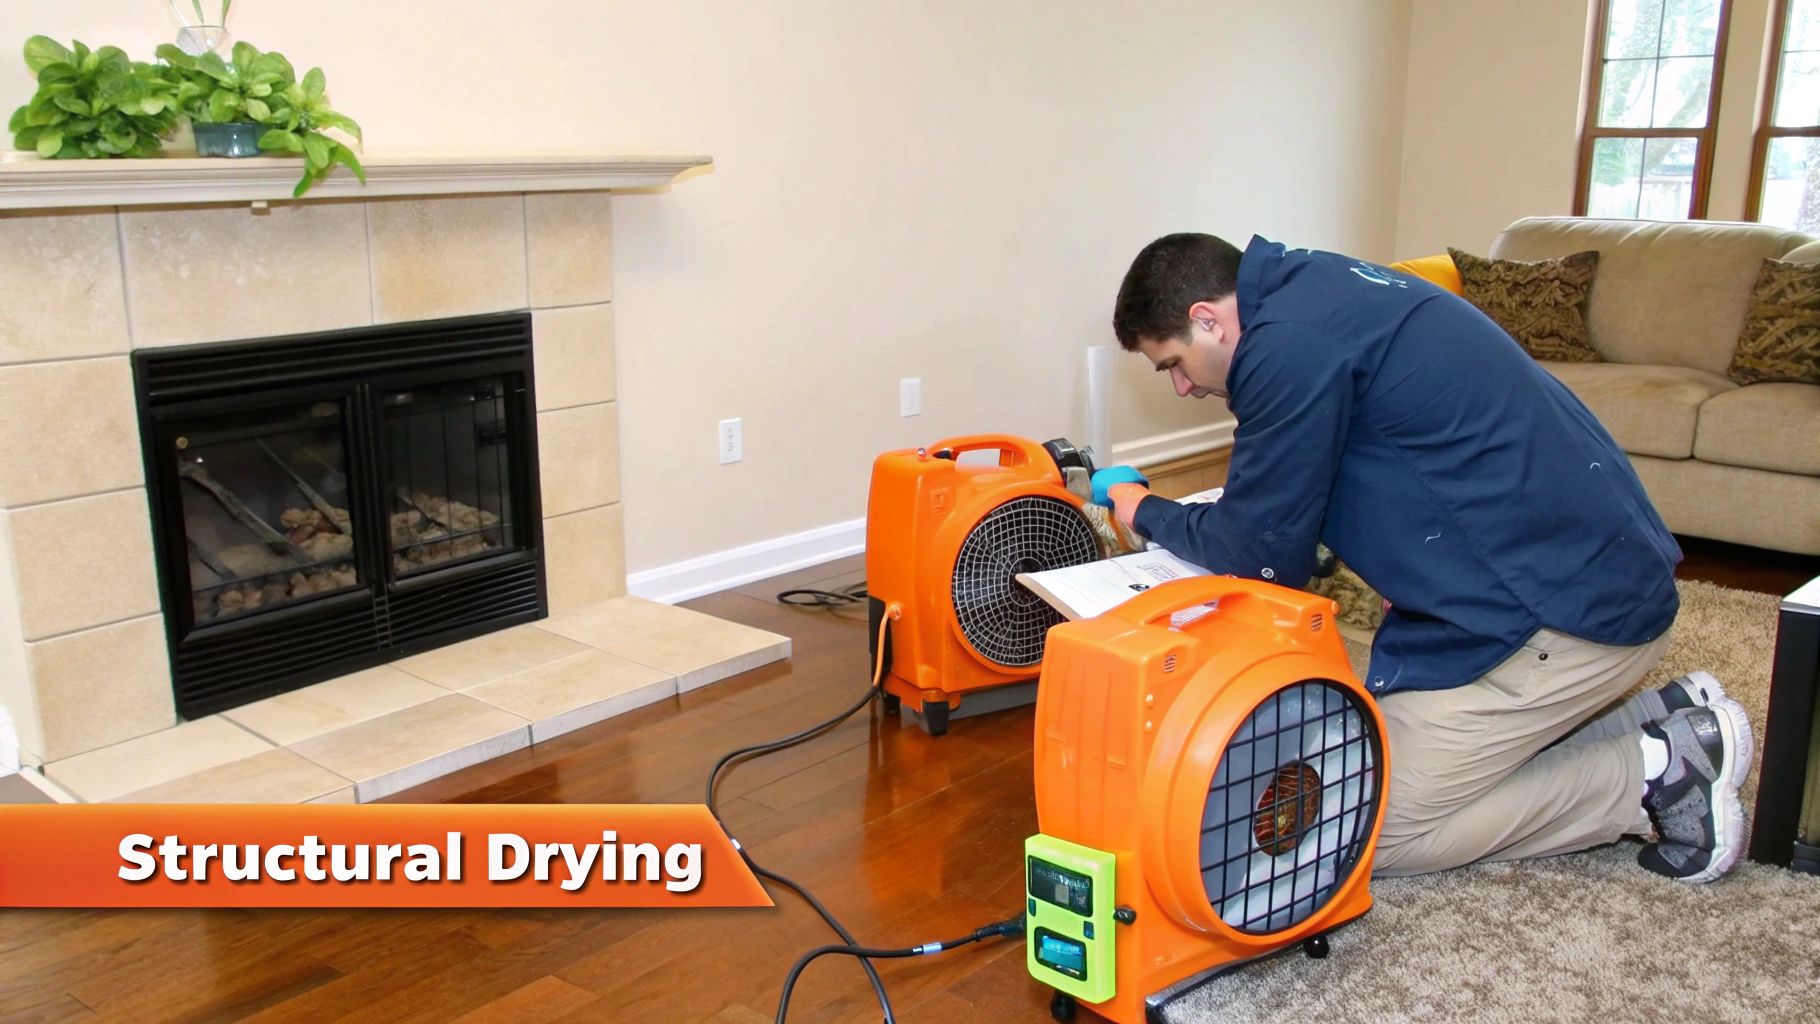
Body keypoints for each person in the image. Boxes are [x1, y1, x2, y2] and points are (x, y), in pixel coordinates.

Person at [1095, 232, 1754, 883]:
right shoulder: (1317, 289)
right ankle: (1651, 719)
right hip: (1610, 576)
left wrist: (1143, 509)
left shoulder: (1286, 348)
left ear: (1207, 320)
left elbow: (1261, 559)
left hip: (1567, 618)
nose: (1181, 387)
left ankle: (1649, 778)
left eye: (1173, 363)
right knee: (1379, 752)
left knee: (1355, 832)